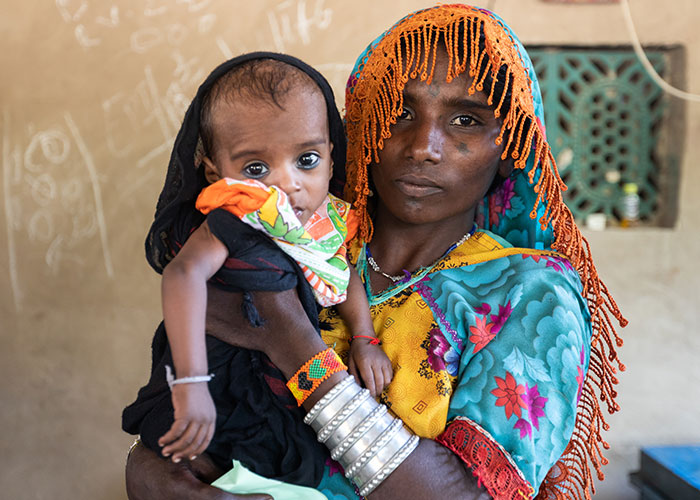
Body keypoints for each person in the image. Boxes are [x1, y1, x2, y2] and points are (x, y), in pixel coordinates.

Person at [125, 5, 626, 500]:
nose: (423, 146)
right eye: (401, 112)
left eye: (467, 120)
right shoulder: (296, 242)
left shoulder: (531, 295)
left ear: (509, 147)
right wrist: (157, 479)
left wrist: (294, 341)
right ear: (361, 122)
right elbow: (188, 411)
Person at [123, 52, 390, 489]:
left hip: (279, 391)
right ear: (214, 170)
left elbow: (340, 276)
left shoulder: (325, 220)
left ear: (331, 152)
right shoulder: (240, 214)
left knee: (285, 473)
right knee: (193, 459)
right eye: (256, 168)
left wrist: (363, 338)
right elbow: (183, 275)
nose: (287, 183)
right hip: (217, 375)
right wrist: (190, 383)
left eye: (307, 160)